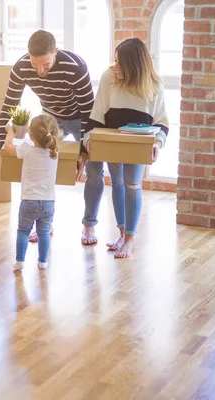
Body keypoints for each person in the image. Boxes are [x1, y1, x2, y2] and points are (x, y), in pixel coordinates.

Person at [0, 29, 94, 243]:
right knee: (43, 169)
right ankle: (45, 224)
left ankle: (89, 227)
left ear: (56, 52)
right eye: (35, 65)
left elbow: (89, 111)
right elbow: (9, 106)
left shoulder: (75, 67)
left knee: (94, 170)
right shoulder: (21, 67)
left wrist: (84, 151)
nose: (40, 70)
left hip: (80, 118)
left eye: (46, 64)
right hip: (50, 119)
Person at [79, 37, 169, 258]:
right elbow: (97, 114)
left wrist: (157, 142)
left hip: (138, 145)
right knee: (117, 182)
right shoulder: (109, 78)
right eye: (114, 60)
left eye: (119, 62)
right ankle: (121, 233)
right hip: (112, 141)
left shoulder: (154, 85)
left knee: (132, 183)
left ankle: (129, 239)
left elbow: (162, 124)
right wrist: (88, 139)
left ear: (133, 65)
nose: (115, 66)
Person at [1, 114, 60, 271]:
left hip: (29, 202)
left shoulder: (26, 149)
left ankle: (20, 262)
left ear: (31, 136)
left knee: (22, 232)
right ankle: (43, 262)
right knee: (44, 234)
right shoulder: (55, 153)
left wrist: (10, 132)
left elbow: (7, 148)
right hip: (48, 203)